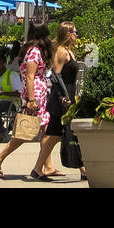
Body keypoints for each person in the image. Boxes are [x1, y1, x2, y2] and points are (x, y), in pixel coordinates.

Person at [0, 20, 54, 180]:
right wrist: (31, 100)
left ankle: (48, 166)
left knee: (45, 130)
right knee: (26, 132)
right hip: (35, 95)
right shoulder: (34, 52)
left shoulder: (34, 50)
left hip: (39, 94)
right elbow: (30, 77)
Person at [35, 22, 84, 180]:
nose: (77, 35)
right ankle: (38, 169)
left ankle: (37, 169)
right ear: (68, 34)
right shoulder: (62, 52)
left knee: (57, 135)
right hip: (61, 99)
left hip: (68, 98)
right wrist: (64, 97)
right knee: (58, 135)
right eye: (75, 32)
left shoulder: (70, 51)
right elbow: (55, 76)